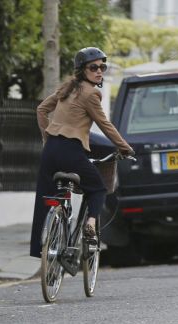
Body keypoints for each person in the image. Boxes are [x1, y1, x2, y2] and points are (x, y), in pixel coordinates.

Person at [30, 47, 134, 258]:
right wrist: (125, 147)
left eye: (102, 67)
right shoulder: (91, 93)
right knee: (97, 188)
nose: (99, 71)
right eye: (93, 67)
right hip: (70, 151)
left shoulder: (67, 88)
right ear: (82, 70)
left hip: (51, 151)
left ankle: (41, 248)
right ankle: (91, 223)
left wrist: (46, 138)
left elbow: (41, 109)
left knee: (46, 195)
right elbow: (105, 125)